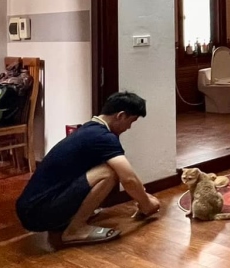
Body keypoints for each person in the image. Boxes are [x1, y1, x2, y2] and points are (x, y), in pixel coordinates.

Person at [15, 91, 160, 246]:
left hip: (32, 209)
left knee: (108, 167)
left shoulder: (91, 130)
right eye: (131, 121)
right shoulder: (103, 137)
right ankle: (75, 230)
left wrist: (142, 195)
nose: (129, 127)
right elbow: (128, 179)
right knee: (109, 172)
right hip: (38, 212)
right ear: (121, 116)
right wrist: (147, 204)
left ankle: (71, 218)